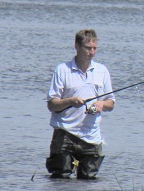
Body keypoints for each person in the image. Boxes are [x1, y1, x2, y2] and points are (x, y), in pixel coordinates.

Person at [45, 29, 115, 179]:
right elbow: (52, 104)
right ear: (77, 46)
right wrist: (70, 101)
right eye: (88, 48)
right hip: (65, 133)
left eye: (94, 48)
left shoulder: (102, 71)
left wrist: (101, 105)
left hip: (91, 135)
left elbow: (111, 102)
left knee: (89, 181)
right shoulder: (63, 70)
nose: (92, 52)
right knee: (60, 179)